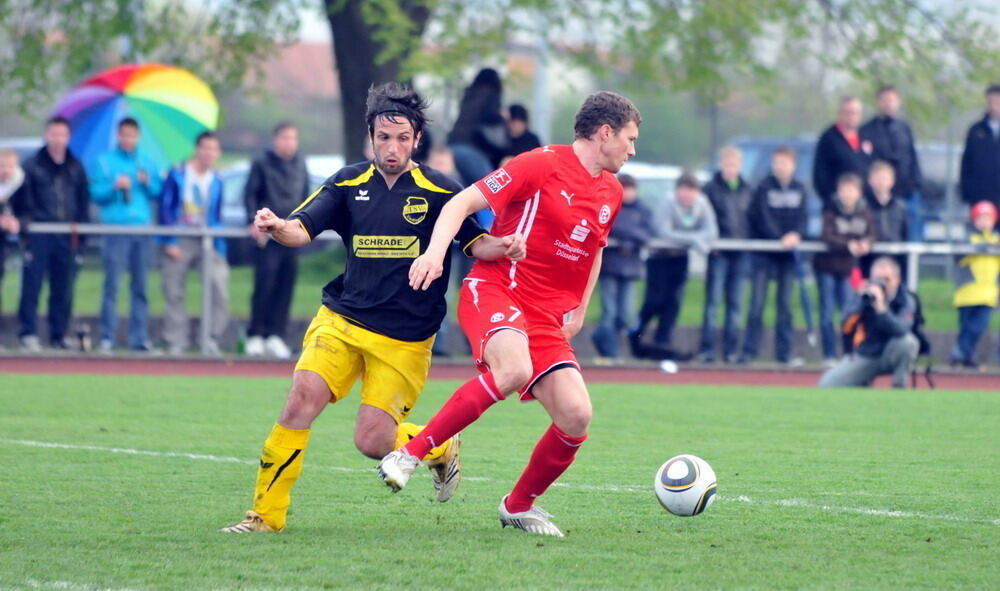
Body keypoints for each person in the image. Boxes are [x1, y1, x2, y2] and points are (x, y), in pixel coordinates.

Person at [221, 83, 526, 534]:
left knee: (372, 441)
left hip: (405, 338)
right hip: (341, 320)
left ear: (417, 139)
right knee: (299, 402)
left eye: (403, 138)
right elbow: (300, 230)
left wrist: (504, 246)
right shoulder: (347, 182)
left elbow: (476, 243)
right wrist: (275, 226)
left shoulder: (441, 190)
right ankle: (265, 517)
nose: (392, 147)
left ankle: (439, 447)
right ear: (371, 136)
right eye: (384, 137)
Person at [377, 90, 641, 537]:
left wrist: (579, 308)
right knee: (514, 369)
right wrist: (436, 255)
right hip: (497, 289)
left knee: (577, 416)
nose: (633, 150)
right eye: (630, 139)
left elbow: (595, 250)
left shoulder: (611, 191)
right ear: (605, 133)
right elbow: (460, 204)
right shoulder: (538, 164)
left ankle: (517, 506)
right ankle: (411, 453)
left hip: (544, 316)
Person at [11, 117, 90, 351]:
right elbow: (21, 200)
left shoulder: (75, 166)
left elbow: (83, 202)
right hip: (39, 232)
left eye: (62, 135)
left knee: (63, 287)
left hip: (67, 234)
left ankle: (58, 333)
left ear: (68, 137)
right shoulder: (32, 165)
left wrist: (82, 234)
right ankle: (28, 332)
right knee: (32, 284)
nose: (58, 139)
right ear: (46, 135)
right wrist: (28, 223)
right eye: (54, 134)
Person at [89, 117, 163, 352]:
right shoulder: (104, 162)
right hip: (116, 229)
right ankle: (107, 337)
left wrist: (147, 182)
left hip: (141, 229)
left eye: (132, 134)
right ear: (118, 136)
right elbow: (95, 193)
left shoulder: (147, 162)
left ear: (137, 136)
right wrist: (113, 187)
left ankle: (139, 337)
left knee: (140, 286)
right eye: (124, 134)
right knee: (112, 284)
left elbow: (157, 192)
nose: (128, 138)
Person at [631, 173, 717, 359]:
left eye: (692, 191)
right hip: (659, 258)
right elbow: (663, 232)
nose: (687, 195)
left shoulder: (702, 204)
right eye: (684, 190)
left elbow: (711, 231)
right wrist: (694, 240)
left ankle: (663, 340)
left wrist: (690, 241)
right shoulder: (668, 202)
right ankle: (636, 332)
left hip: (680, 258)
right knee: (655, 300)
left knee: (673, 302)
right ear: (678, 190)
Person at [158, 131, 228, 355]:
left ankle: (210, 337)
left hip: (207, 238)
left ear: (218, 153)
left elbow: (217, 213)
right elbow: (165, 207)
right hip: (180, 236)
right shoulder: (178, 173)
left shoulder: (217, 179)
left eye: (213, 149)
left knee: (218, 285)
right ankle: (176, 340)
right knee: (174, 289)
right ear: (197, 149)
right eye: (205, 148)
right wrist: (170, 239)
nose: (209, 153)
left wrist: (219, 245)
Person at [244, 122, 310, 358]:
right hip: (267, 236)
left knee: (286, 286)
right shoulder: (261, 163)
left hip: (290, 234)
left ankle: (275, 334)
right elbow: (250, 194)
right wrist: (254, 222)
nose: (288, 142)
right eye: (284, 138)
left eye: (293, 138)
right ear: (275, 139)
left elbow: (306, 198)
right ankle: (255, 334)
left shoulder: (300, 164)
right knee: (264, 285)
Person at [741, 146, 807, 366]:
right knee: (757, 304)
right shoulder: (763, 187)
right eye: (777, 162)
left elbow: (803, 218)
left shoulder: (800, 189)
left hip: (788, 256)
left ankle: (784, 354)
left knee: (785, 306)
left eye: (785, 163)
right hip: (765, 254)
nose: (781, 167)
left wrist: (796, 235)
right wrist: (779, 237)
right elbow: (760, 216)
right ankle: (749, 352)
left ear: (793, 165)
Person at [819, 257, 920, 388]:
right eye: (877, 279)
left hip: (893, 352)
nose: (882, 284)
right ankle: (862, 384)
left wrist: (881, 309)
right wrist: (860, 301)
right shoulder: (864, 296)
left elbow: (901, 329)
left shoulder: (906, 299)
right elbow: (845, 325)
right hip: (868, 353)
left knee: (908, 342)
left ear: (896, 280)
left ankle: (899, 386)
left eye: (886, 279)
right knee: (827, 384)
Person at [698, 145, 753, 363]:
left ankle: (731, 350)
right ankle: (707, 350)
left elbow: (752, 219)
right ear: (721, 165)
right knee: (713, 302)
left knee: (736, 304)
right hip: (719, 252)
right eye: (728, 164)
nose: (731, 168)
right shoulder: (711, 189)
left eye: (735, 164)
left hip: (740, 253)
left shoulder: (748, 189)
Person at [814, 173, 874, 365]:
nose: (847, 195)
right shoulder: (830, 210)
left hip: (849, 270)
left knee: (849, 312)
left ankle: (849, 352)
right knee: (827, 313)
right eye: (844, 190)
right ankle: (829, 354)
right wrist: (848, 245)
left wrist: (867, 243)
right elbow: (827, 236)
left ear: (859, 193)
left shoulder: (864, 212)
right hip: (827, 268)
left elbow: (872, 233)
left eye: (851, 190)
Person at [591, 174, 653, 360]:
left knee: (626, 315)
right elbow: (605, 227)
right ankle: (610, 352)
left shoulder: (643, 210)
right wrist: (630, 236)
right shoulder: (609, 206)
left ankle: (604, 341)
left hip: (630, 269)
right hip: (610, 267)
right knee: (609, 312)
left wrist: (628, 238)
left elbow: (647, 234)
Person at [860, 85, 923, 240]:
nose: (888, 104)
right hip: (877, 198)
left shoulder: (904, 129)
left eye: (891, 100)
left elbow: (912, 157)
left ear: (897, 102)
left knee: (909, 235)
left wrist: (915, 184)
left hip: (904, 193)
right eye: (884, 100)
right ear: (878, 102)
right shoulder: (867, 130)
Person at [447, 68, 507, 228]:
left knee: (467, 192)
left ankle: (464, 231)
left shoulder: (469, 94)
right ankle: (490, 231)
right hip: (471, 148)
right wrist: (502, 117)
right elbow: (489, 118)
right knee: (489, 191)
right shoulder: (491, 95)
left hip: (455, 146)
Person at [949, 201, 998, 369]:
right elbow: (958, 255)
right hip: (967, 293)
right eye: (981, 218)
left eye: (988, 218)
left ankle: (959, 353)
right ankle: (965, 356)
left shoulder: (997, 240)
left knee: (978, 326)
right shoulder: (968, 239)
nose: (984, 223)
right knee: (966, 327)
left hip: (987, 294)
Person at [813, 97, 872, 209]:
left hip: (863, 205)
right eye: (848, 112)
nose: (852, 116)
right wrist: (832, 199)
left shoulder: (866, 136)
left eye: (855, 113)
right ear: (840, 113)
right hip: (836, 205)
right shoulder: (828, 138)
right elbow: (820, 174)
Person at [959, 84, 1000, 223]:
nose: (994, 106)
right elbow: (967, 163)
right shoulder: (976, 131)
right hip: (982, 199)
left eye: (997, 102)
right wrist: (967, 193)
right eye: (991, 102)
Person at [862, 160, 908, 279]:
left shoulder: (900, 207)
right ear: (870, 180)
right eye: (877, 178)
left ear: (892, 181)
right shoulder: (863, 206)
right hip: (870, 259)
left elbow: (905, 233)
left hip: (895, 258)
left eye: (884, 178)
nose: (881, 182)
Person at [0, 149, 23, 326]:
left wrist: (16, 221)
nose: (6, 170)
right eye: (2, 166)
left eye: (10, 166)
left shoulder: (18, 180)